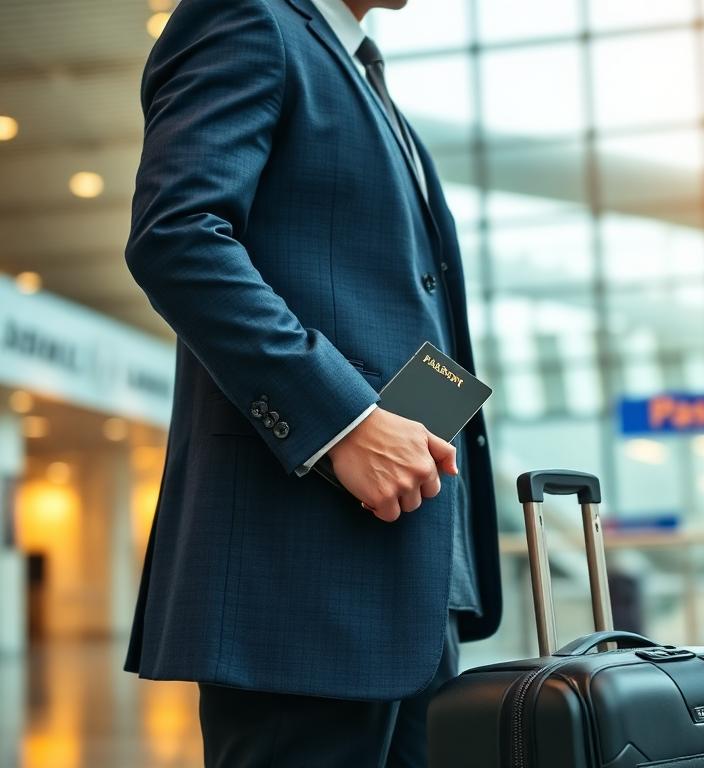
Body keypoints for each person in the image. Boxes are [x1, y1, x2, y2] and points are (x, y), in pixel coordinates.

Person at [121, 0, 501, 764]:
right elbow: (177, 236)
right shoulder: (246, 18)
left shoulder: (362, 70)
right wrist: (346, 422)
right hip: (300, 570)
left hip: (409, 558)